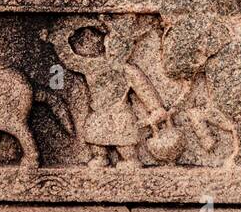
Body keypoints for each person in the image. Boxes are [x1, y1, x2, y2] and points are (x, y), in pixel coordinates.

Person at [42, 15, 167, 168]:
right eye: (112, 46)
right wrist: (59, 40)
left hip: (120, 114)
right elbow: (70, 60)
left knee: (126, 148)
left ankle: (130, 160)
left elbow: (144, 89)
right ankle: (100, 156)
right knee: (96, 143)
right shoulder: (95, 66)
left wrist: (155, 108)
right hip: (98, 112)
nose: (115, 51)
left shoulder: (128, 71)